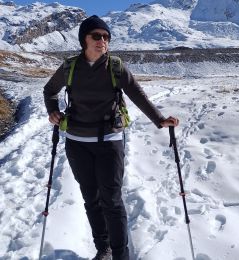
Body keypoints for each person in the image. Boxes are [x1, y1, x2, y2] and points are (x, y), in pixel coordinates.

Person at [43, 15, 179, 260]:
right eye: (96, 36)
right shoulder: (69, 67)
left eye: (106, 37)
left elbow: (137, 94)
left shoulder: (115, 66)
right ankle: (103, 248)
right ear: (84, 39)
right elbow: (50, 90)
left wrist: (159, 119)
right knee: (91, 198)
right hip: (77, 143)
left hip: (109, 141)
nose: (102, 41)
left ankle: (120, 255)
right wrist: (52, 110)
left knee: (112, 201)